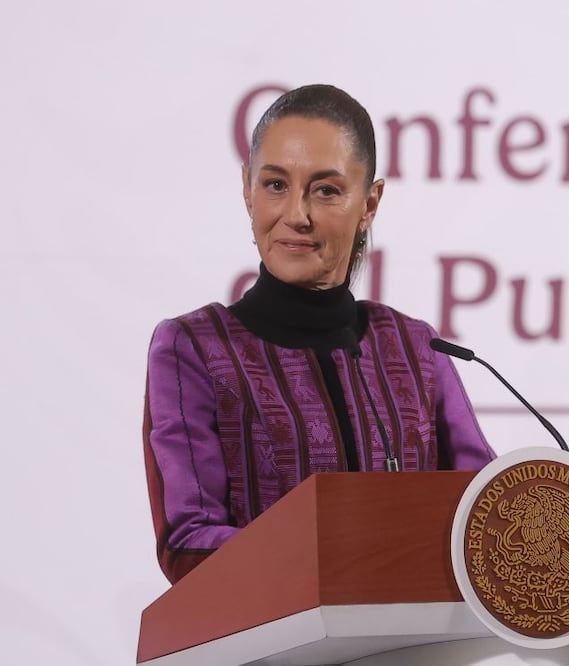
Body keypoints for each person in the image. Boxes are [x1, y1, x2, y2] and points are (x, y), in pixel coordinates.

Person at [142, 84, 496, 584]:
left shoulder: (418, 348)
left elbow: (491, 513)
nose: (297, 215)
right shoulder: (194, 348)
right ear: (247, 188)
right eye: (275, 185)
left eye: (326, 190)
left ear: (370, 202)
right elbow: (188, 541)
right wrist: (346, 554)